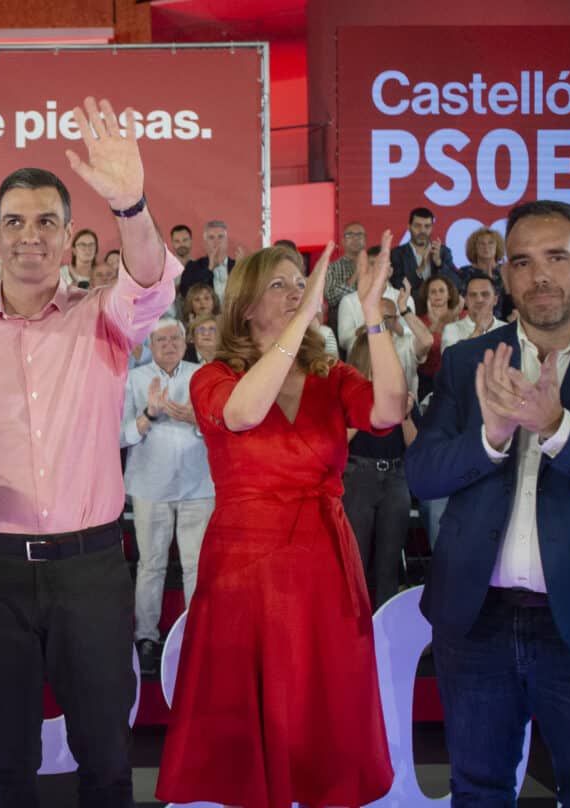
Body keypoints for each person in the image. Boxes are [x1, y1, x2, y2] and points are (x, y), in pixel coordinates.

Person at [0, 95, 183, 808]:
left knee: (108, 758)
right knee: (9, 759)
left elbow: (150, 279)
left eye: (46, 221)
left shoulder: (105, 318)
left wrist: (131, 203)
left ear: (69, 234)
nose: (30, 236)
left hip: (90, 570)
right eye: (15, 223)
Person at [405, 199, 570, 806]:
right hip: (477, 622)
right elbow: (423, 474)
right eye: (522, 262)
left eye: (557, 258)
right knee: (477, 788)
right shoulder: (471, 360)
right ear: (505, 275)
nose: (539, 275)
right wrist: (490, 439)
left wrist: (558, 429)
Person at [157, 239, 405, 807]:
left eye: (303, 284)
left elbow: (390, 410)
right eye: (282, 285)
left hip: (322, 562)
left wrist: (371, 314)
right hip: (246, 571)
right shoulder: (212, 377)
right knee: (249, 723)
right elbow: (245, 412)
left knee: (322, 712)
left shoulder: (332, 374)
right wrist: (305, 313)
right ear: (246, 304)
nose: (298, 293)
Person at [119, 317, 213, 677]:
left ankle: (195, 634)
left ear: (186, 341)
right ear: (151, 344)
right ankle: (146, 637)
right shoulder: (136, 379)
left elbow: (223, 425)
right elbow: (120, 435)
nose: (169, 345)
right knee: (151, 565)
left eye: (175, 338)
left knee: (196, 566)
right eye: (161, 340)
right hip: (150, 486)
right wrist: (148, 416)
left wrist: (196, 418)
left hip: (198, 485)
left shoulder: (202, 376)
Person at [340, 334, 420, 611]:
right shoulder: (347, 395)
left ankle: (386, 631)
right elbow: (337, 440)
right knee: (357, 559)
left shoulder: (402, 396)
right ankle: (354, 629)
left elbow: (416, 445)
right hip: (358, 476)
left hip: (396, 477)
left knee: (390, 561)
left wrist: (405, 414)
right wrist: (369, 408)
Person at [390, 206, 464, 296]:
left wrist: (439, 264)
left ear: (432, 228)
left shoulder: (443, 252)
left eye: (427, 226)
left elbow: (458, 285)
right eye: (417, 226)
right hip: (412, 307)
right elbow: (397, 287)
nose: (422, 231)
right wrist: (420, 269)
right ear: (409, 227)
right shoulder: (397, 254)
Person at [442, 274, 508, 352]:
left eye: (485, 294)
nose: (479, 300)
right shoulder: (451, 329)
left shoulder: (508, 329)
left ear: (495, 300)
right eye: (473, 295)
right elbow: (451, 361)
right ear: (466, 301)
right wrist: (478, 330)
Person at [323, 221, 368, 330]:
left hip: (369, 317)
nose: (355, 238)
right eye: (350, 235)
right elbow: (331, 298)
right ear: (343, 241)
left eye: (359, 235)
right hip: (342, 322)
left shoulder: (374, 265)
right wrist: (357, 273)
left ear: (365, 240)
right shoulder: (332, 268)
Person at [460, 227, 512, 320]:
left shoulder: (506, 270)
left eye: (491, 243)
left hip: (503, 324)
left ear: (497, 246)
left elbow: (515, 304)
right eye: (481, 243)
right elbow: (463, 304)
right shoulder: (465, 272)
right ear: (474, 247)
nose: (486, 247)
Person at [178, 220, 234, 304]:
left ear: (226, 241)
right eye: (211, 237)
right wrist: (209, 269)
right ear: (205, 243)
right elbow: (186, 293)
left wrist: (241, 271)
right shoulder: (193, 267)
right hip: (204, 316)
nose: (216, 242)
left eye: (220, 237)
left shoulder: (238, 266)